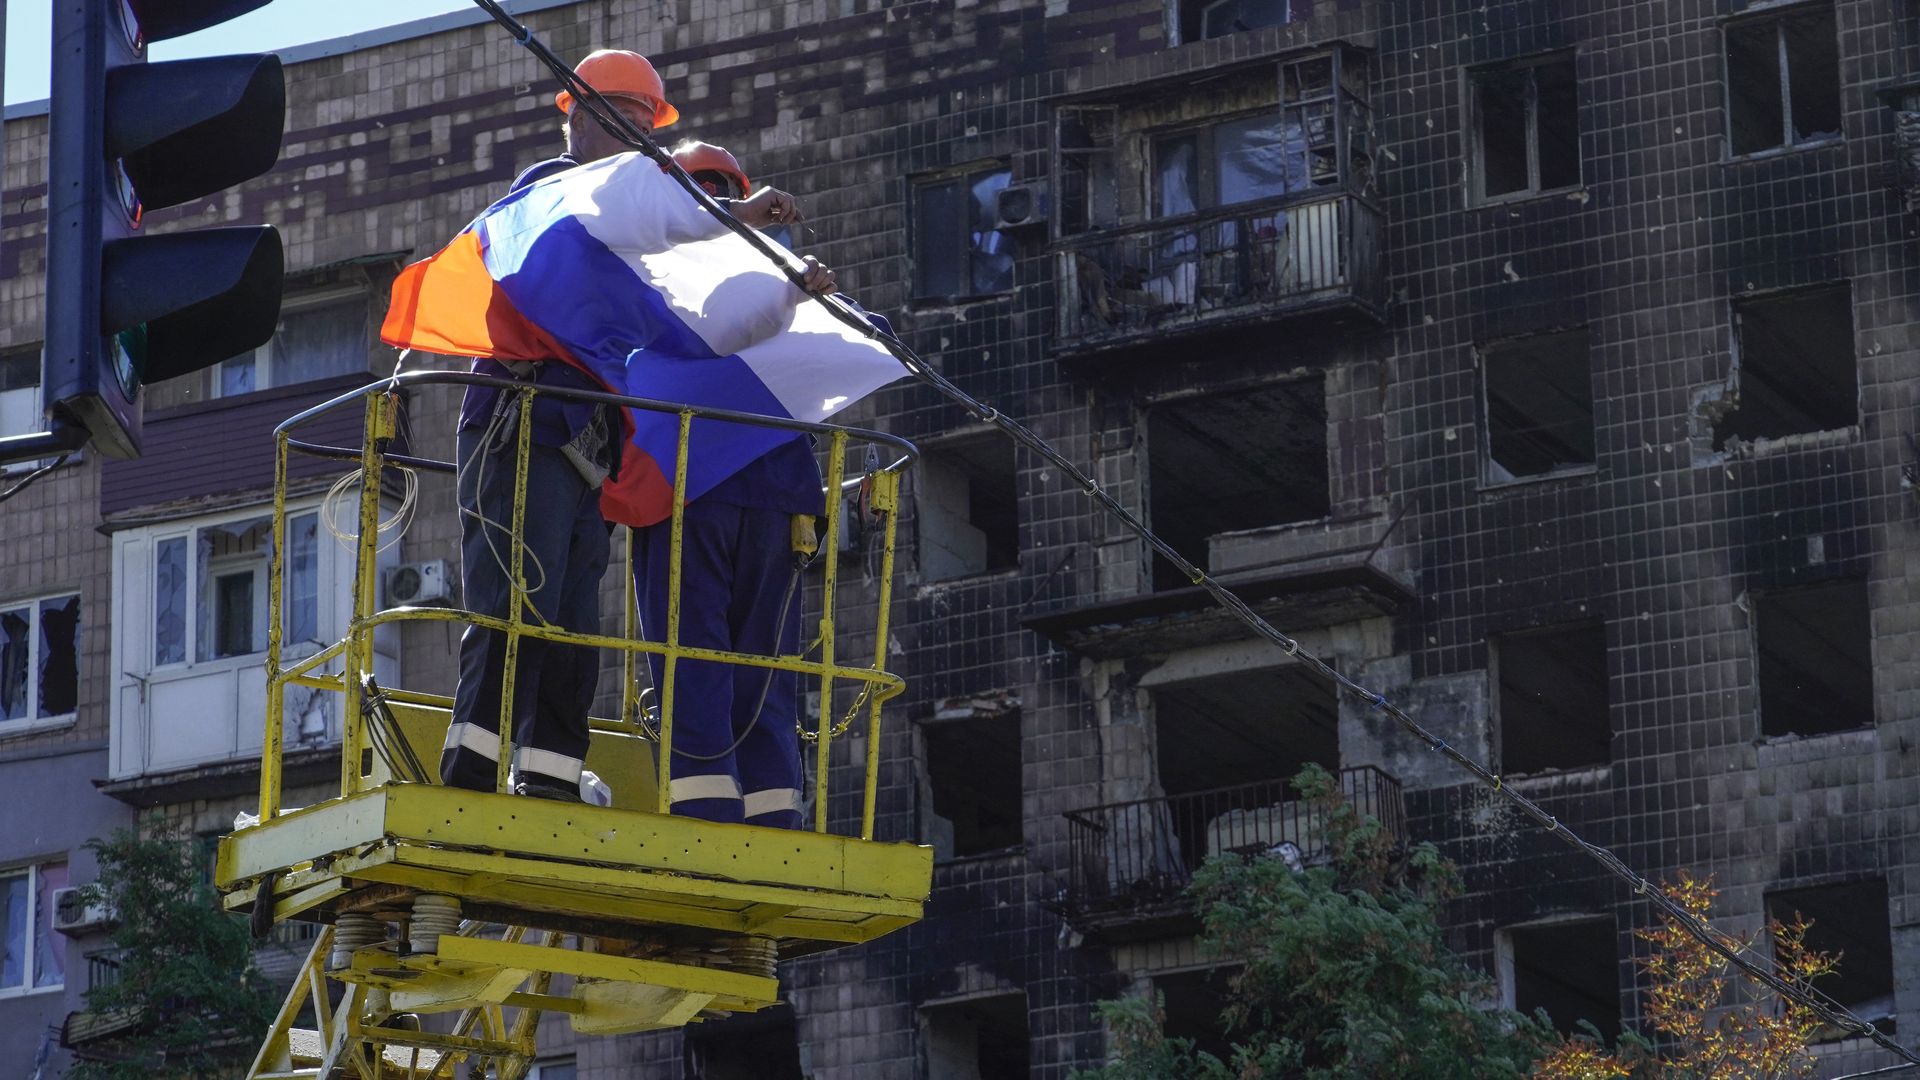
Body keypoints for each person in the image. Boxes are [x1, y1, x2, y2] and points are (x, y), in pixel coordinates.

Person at [440, 50, 832, 802]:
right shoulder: (550, 191)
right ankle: (472, 775)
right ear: (578, 118)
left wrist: (792, 287)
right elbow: (635, 214)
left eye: (648, 127)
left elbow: (716, 315)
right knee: (519, 596)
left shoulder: (639, 225)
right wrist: (743, 214)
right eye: (627, 121)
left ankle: (549, 775)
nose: (639, 141)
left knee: (576, 616)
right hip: (521, 420)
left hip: (586, 435)